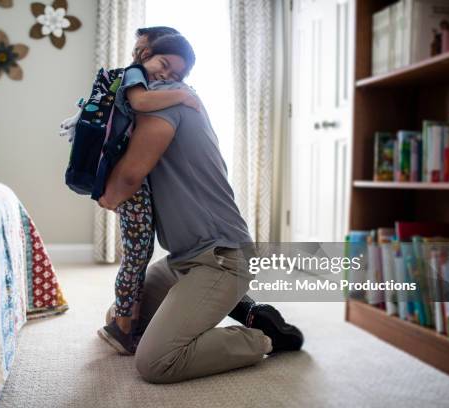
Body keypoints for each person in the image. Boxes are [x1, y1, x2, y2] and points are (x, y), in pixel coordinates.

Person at [98, 34, 303, 383]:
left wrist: (105, 193)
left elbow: (128, 178)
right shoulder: (155, 101)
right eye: (158, 65)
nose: (162, 76)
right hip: (183, 260)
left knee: (156, 361)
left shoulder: (169, 102)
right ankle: (245, 309)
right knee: (119, 318)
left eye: (170, 71)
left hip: (221, 258)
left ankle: (261, 338)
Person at [95, 34, 201, 355]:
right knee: (137, 254)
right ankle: (122, 325)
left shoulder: (142, 76)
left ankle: (129, 317)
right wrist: (181, 96)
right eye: (163, 64)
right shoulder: (133, 75)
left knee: (139, 251)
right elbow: (140, 103)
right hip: (131, 183)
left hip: (137, 182)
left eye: (175, 76)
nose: (166, 76)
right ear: (147, 54)